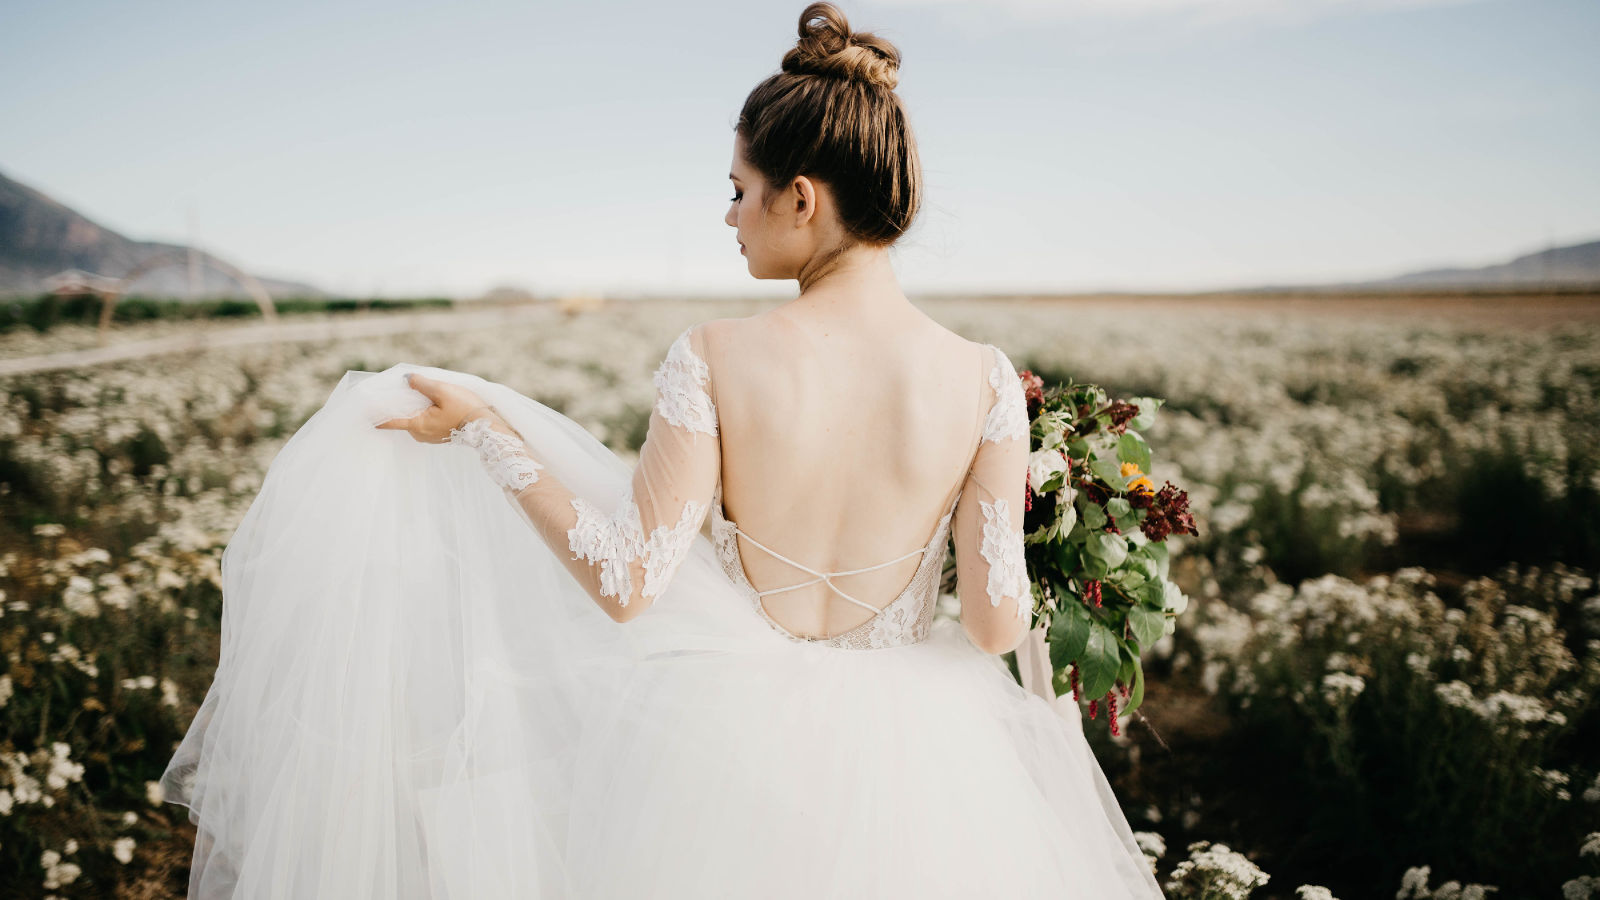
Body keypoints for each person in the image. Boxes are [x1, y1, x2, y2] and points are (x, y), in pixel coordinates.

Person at [158, 3, 1166, 897]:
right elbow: (993, 627)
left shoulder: (717, 358)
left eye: (738, 188)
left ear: (801, 197)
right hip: (927, 764)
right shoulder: (985, 381)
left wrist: (483, 430)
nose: (728, 216)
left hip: (723, 748)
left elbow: (627, 578)